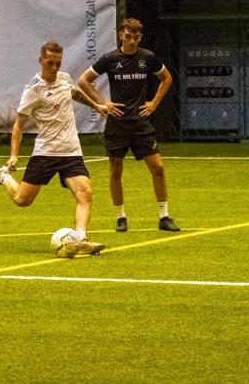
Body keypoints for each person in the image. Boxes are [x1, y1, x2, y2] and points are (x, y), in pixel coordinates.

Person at [0, 40, 109, 258]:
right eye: (50, 63)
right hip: (46, 153)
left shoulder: (65, 78)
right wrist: (13, 155)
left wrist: (96, 105)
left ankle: (80, 240)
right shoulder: (33, 90)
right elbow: (18, 125)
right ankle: (3, 177)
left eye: (58, 63)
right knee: (23, 200)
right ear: (41, 60)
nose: (55, 67)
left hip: (71, 151)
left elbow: (75, 93)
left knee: (84, 192)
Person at [75, 18, 180, 233]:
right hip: (117, 124)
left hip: (141, 123)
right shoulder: (110, 59)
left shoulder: (147, 57)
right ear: (121, 35)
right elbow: (83, 81)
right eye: (128, 36)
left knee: (158, 168)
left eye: (136, 37)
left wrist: (154, 103)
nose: (132, 41)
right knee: (116, 171)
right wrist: (103, 103)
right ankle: (120, 216)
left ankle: (164, 217)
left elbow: (167, 78)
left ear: (140, 38)